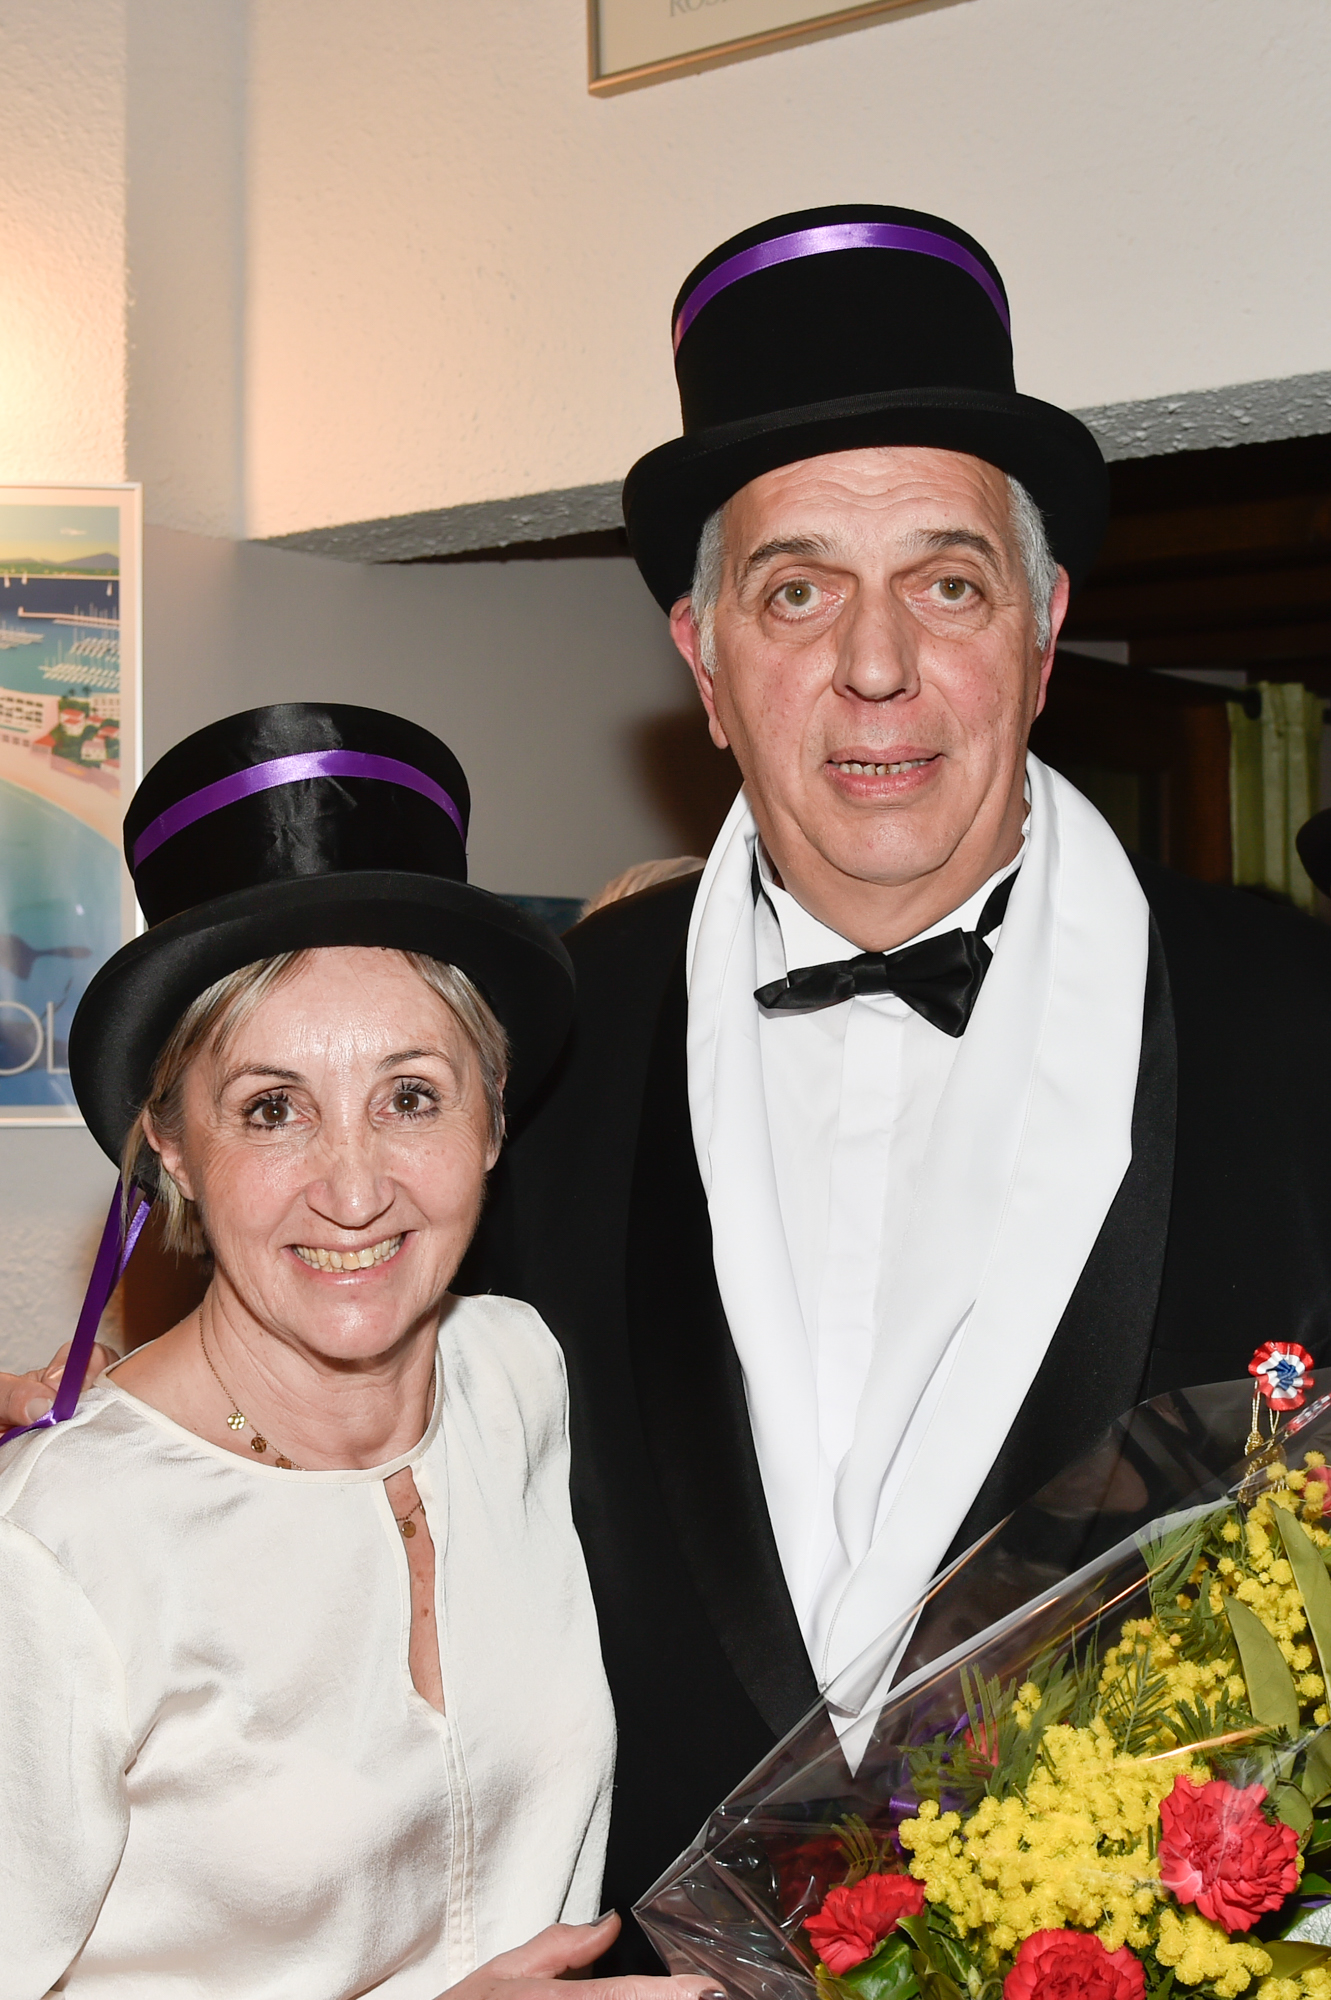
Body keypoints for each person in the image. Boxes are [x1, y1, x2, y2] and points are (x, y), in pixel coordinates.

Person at [9, 205, 1331, 1969]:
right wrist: (101, 1434)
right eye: (798, 590)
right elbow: (321, 1347)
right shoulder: (545, 1050)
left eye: (947, 582)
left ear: (1044, 628)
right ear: (704, 663)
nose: (877, 663)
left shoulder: (1298, 1028)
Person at [0, 702, 714, 2000]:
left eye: (411, 1096)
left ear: (493, 1118)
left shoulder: (524, 1381)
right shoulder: (61, 1554)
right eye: (272, 1108)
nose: (352, 1188)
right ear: (173, 1147)